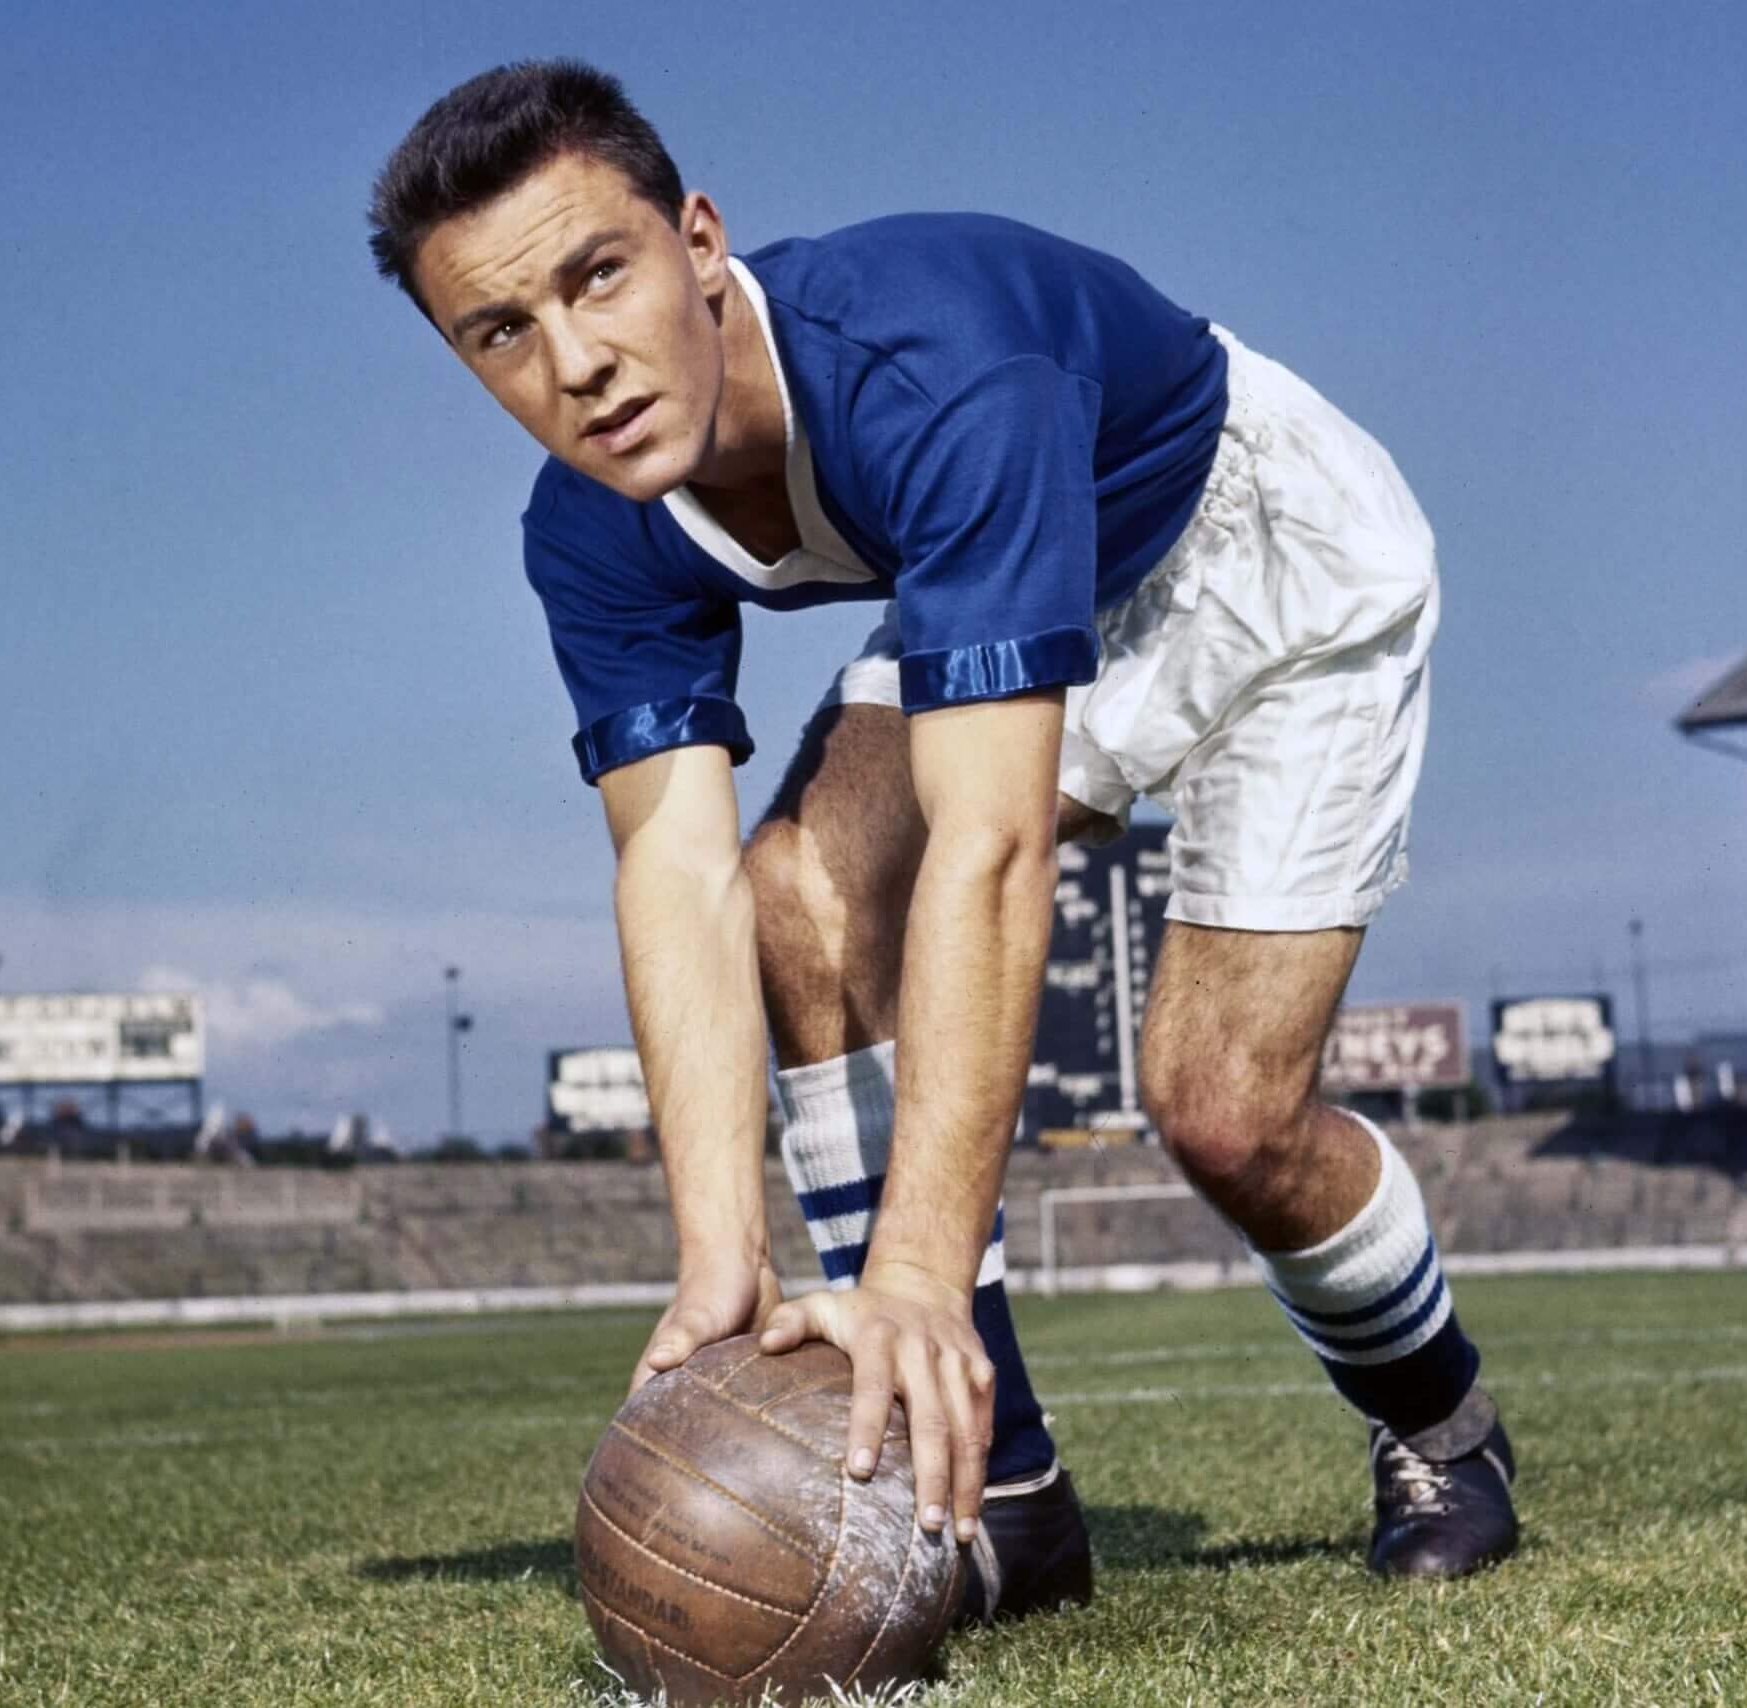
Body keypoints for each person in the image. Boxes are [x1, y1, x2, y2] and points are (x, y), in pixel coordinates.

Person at [366, 60, 1520, 1618]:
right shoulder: (587, 527)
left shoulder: (931, 363)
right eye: (502, 332)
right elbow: (677, 870)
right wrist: (720, 1255)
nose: (575, 361)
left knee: (1225, 1113)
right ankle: (1005, 1498)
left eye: (600, 276)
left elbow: (987, 848)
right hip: (1015, 585)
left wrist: (911, 1270)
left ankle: (1438, 1423)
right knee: (797, 896)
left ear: (699, 242)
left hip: (1262, 565)